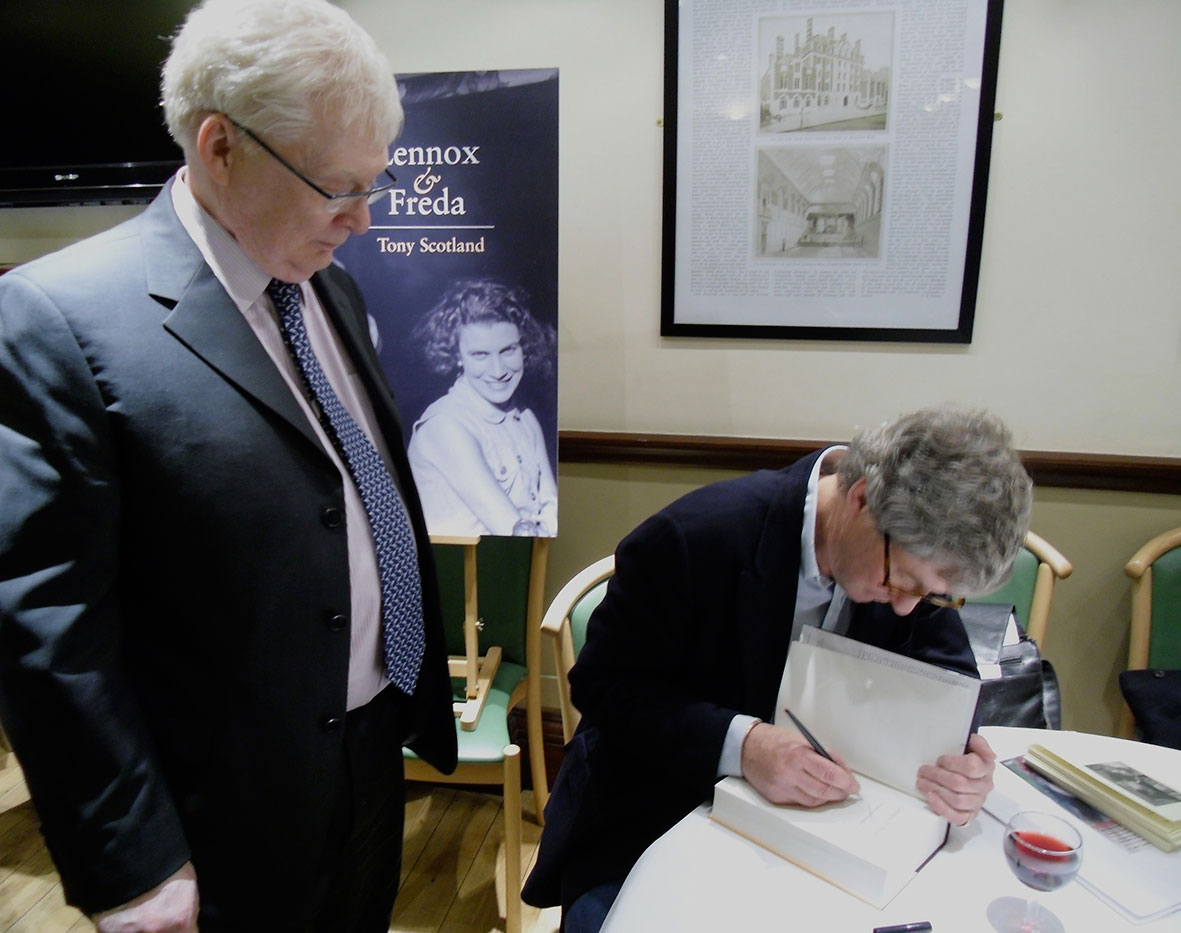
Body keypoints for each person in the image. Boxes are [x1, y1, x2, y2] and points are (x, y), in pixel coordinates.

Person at [0, 2, 457, 931]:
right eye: (337, 188)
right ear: (220, 145)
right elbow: (47, 623)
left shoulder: (329, 283)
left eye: (377, 184)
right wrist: (131, 858)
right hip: (215, 808)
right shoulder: (56, 319)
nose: (363, 220)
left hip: (369, 751)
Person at [522, 405, 1034, 931]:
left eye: (931, 595)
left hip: (824, 837)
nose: (908, 606)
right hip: (654, 816)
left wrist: (962, 760)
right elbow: (604, 684)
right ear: (861, 501)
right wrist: (743, 745)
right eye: (902, 581)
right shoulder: (696, 537)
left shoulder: (903, 557)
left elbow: (944, 675)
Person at [407, 278, 558, 537]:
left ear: (524, 347)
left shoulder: (525, 418)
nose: (498, 371)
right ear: (457, 357)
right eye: (480, 355)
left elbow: (552, 509)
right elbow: (512, 530)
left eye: (508, 350)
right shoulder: (445, 425)